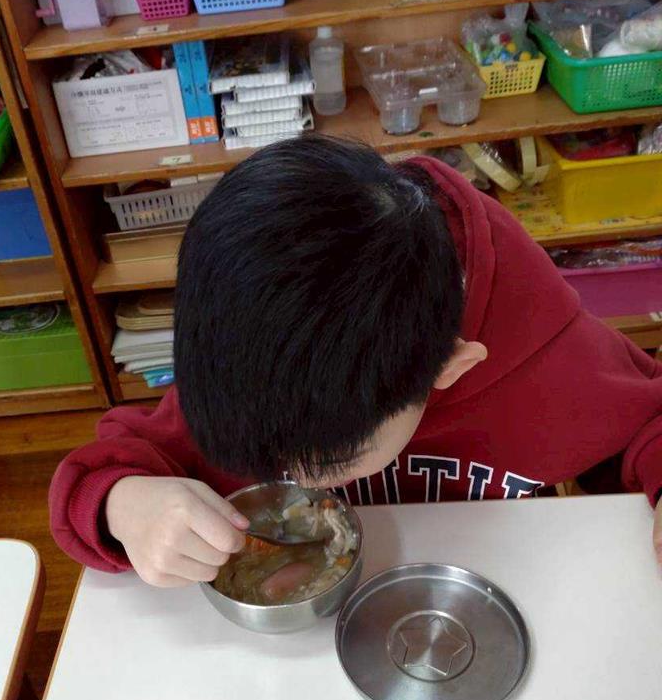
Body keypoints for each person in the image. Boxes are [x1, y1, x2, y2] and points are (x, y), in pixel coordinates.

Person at [50, 135, 662, 586]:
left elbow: (647, 419)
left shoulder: (547, 359)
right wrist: (124, 507)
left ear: (447, 369)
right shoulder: (254, 366)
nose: (293, 477)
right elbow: (103, 471)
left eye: (331, 462)